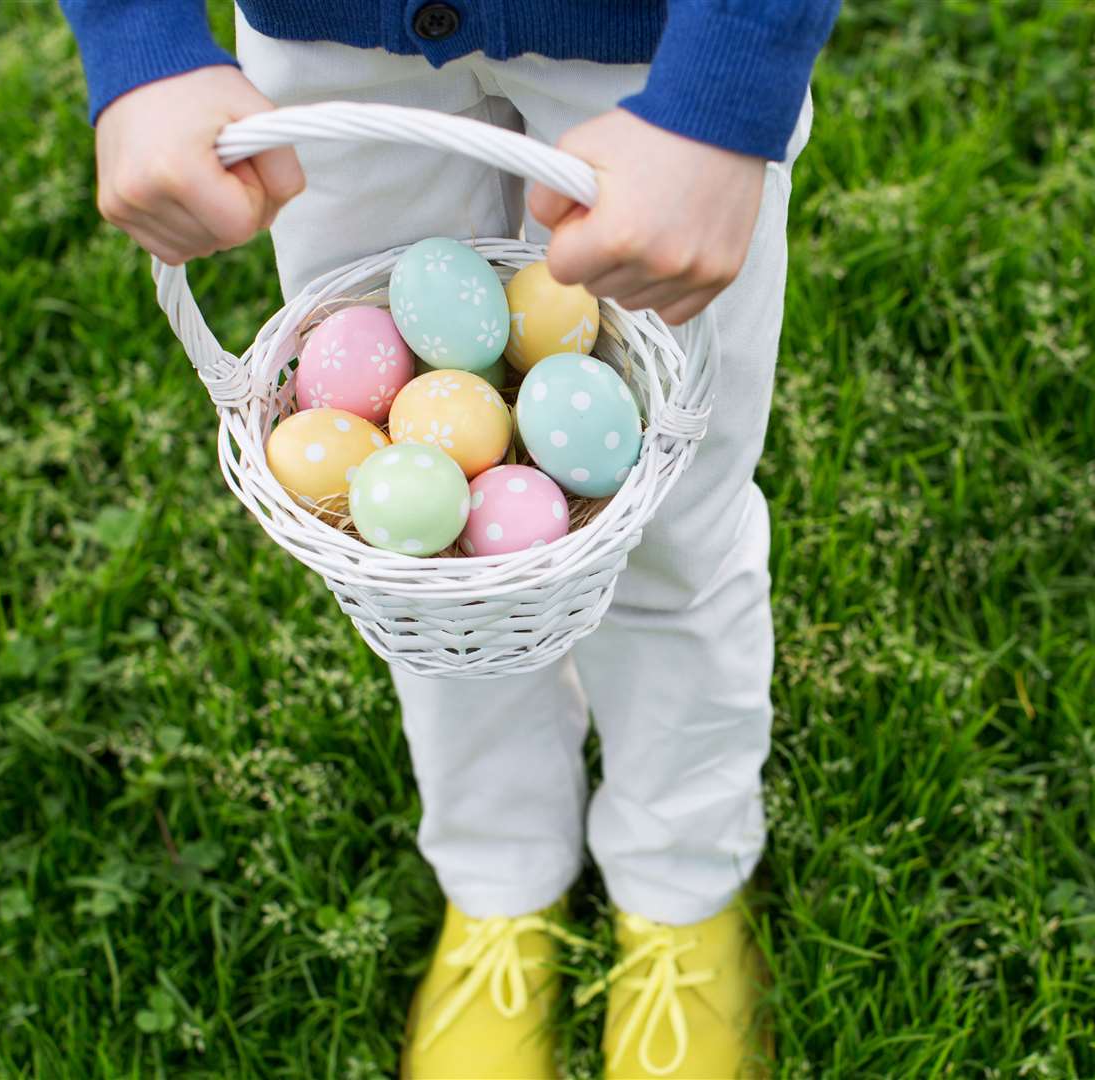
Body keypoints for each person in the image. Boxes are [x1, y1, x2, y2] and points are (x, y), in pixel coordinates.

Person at [56, 2, 840, 1076]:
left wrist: (726, 85)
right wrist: (134, 37)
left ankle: (682, 882)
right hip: (334, 34)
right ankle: (499, 871)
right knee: (422, 562)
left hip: (661, 53)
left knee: (668, 519)